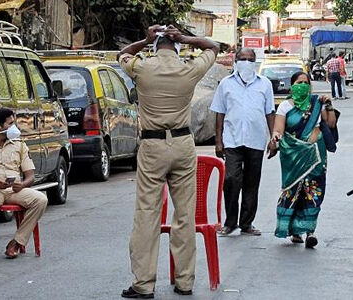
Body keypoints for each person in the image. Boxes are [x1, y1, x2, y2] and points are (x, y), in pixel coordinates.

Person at [117, 25, 219, 298]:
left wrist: (144, 39)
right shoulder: (189, 69)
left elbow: (123, 54)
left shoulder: (142, 68)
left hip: (152, 146)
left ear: (154, 47)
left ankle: (144, 284)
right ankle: (185, 282)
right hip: (184, 144)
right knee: (185, 215)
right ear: (176, 48)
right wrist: (186, 39)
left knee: (147, 215)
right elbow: (213, 48)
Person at [210, 47, 275, 236]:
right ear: (236, 61)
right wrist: (218, 141)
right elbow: (219, 113)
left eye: (250, 59)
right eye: (242, 59)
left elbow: (269, 112)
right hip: (232, 139)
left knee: (251, 182)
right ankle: (230, 222)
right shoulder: (225, 84)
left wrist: (274, 138)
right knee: (231, 179)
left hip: (256, 139)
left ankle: (246, 223)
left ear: (255, 62)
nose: (246, 62)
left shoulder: (264, 84)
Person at [271, 71, 336, 248]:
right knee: (294, 192)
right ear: (292, 86)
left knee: (313, 192)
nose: (302, 86)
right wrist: (276, 138)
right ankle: (294, 231)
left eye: (306, 83)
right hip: (293, 155)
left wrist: (328, 106)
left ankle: (310, 232)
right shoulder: (285, 106)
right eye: (299, 83)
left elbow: (330, 124)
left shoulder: (317, 103)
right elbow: (278, 129)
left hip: (316, 154)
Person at [0, 108, 47, 259]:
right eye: (10, 124)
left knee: (40, 200)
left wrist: (23, 184)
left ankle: (17, 242)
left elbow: (30, 175)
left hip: (15, 190)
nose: (14, 127)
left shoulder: (19, 145)